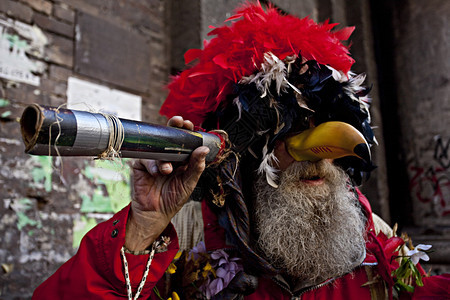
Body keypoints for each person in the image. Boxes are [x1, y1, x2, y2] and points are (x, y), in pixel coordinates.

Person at [33, 3, 449, 299]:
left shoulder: (370, 234)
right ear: (242, 153)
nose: (318, 152)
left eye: (322, 126)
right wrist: (143, 229)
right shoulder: (184, 239)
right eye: (288, 130)